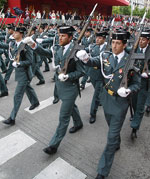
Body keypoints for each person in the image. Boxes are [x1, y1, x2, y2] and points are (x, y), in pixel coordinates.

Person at [76, 32, 141, 179]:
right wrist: (85, 59)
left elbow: (138, 83)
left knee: (111, 136)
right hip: (106, 98)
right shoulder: (106, 56)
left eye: (118, 43)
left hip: (120, 103)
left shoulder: (131, 60)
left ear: (124, 45)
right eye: (113, 42)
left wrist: (129, 90)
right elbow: (94, 62)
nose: (114, 46)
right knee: (111, 125)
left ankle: (102, 171)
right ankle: (116, 142)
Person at [23, 26, 85, 154]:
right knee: (71, 107)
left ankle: (53, 145)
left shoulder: (78, 50)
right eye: (59, 35)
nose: (60, 38)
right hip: (60, 85)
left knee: (63, 116)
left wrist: (68, 76)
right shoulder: (57, 47)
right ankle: (78, 123)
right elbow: (46, 53)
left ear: (70, 37)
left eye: (63, 36)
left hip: (70, 87)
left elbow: (81, 71)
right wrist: (33, 44)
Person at [2, 26, 40, 126]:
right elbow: (10, 50)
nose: (13, 34)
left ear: (21, 34)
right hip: (19, 72)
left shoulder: (26, 46)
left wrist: (19, 64)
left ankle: (12, 118)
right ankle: (35, 102)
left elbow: (30, 61)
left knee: (17, 95)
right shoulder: (14, 43)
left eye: (16, 32)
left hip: (25, 73)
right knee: (28, 88)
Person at [130, 31, 150, 138]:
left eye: (143, 39)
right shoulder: (134, 49)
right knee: (134, 103)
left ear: (148, 41)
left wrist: (148, 73)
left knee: (140, 106)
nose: (141, 41)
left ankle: (134, 127)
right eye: (140, 39)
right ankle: (135, 118)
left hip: (144, 83)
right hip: (134, 82)